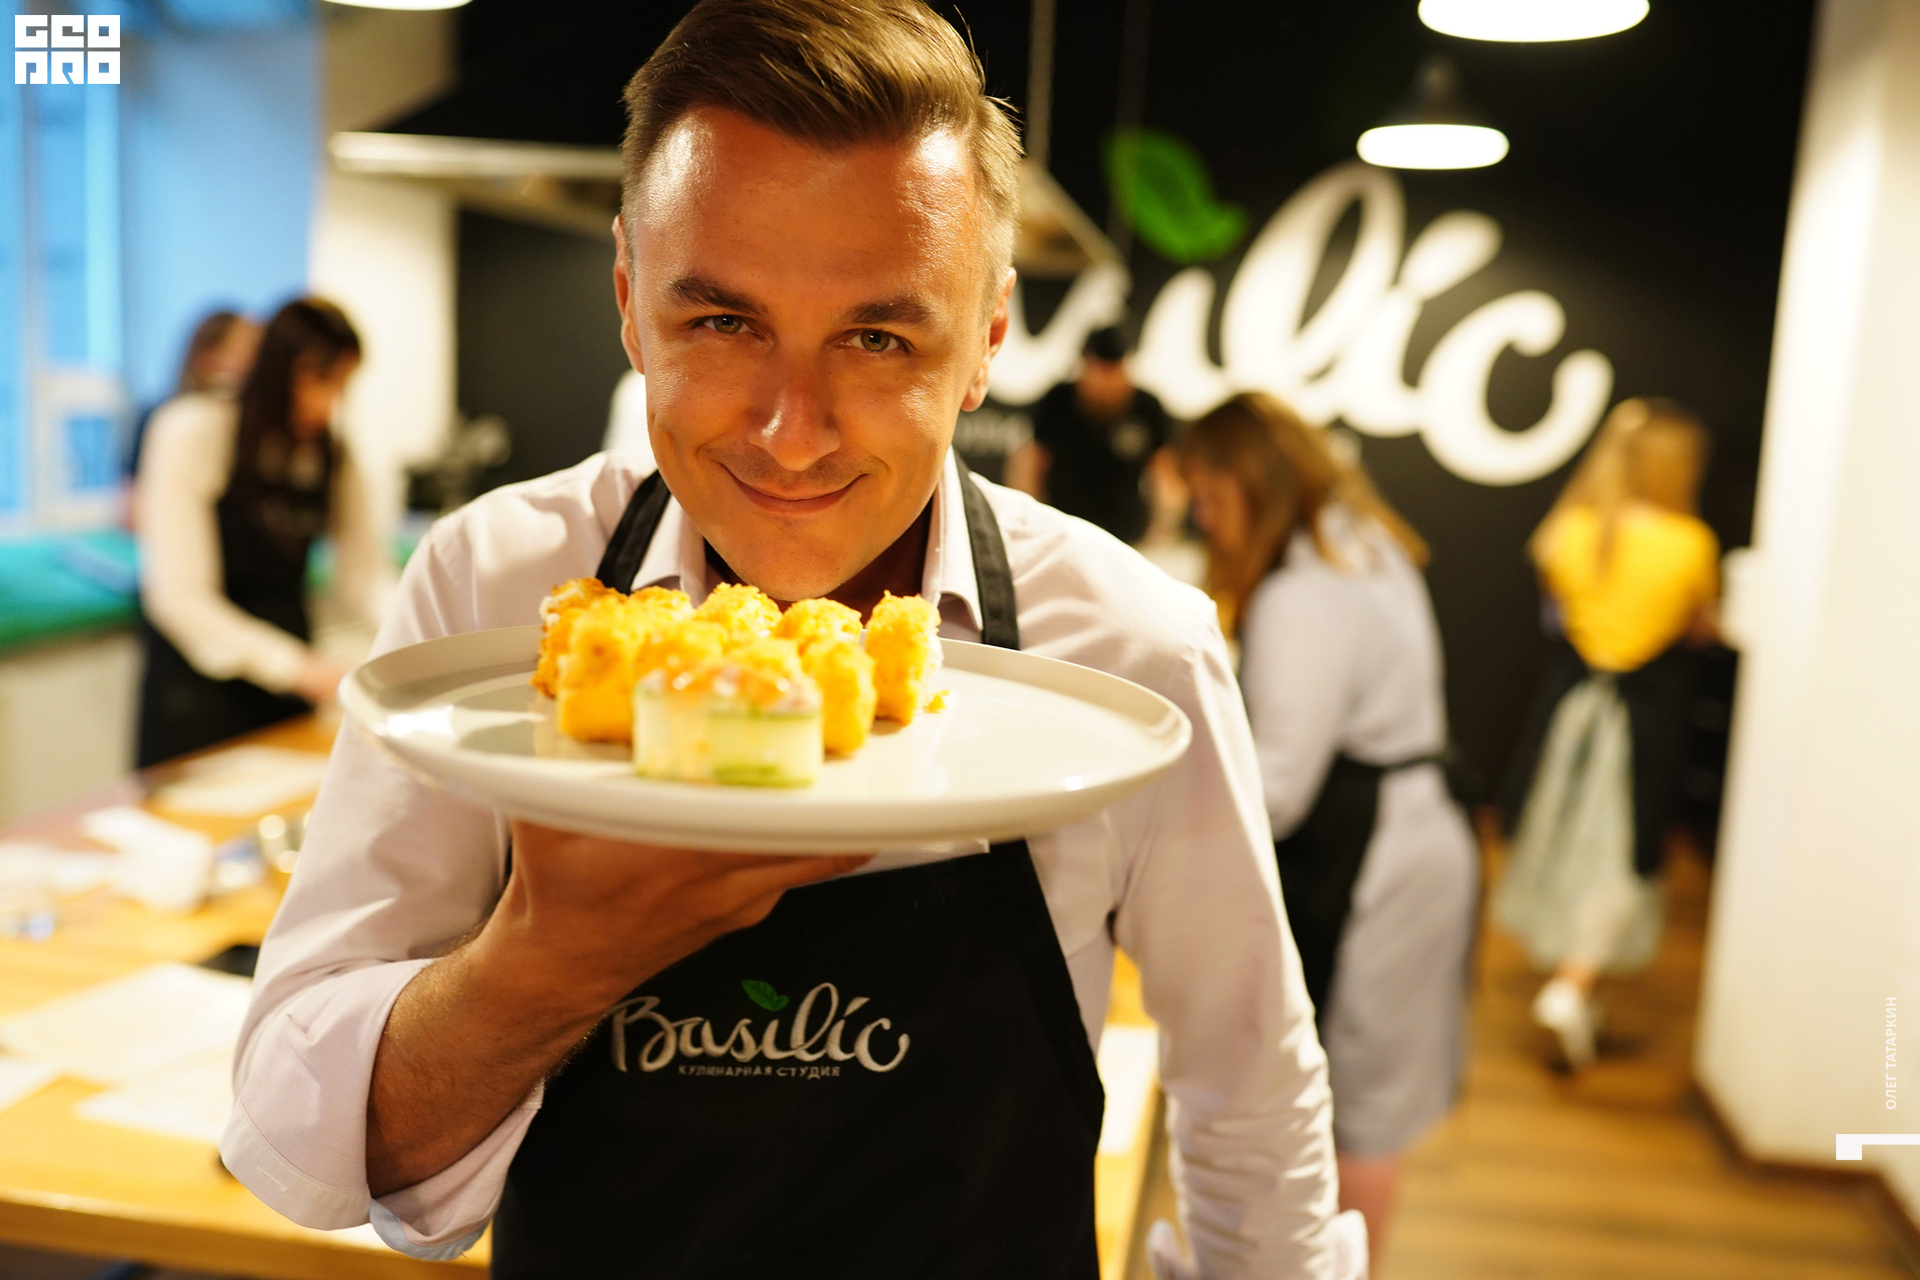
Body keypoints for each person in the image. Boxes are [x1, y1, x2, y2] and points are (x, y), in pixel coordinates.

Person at [220, 4, 1362, 1277]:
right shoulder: (498, 589)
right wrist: (546, 963)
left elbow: (1251, 1096)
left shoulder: (1127, 650)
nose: (793, 432)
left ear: (986, 338)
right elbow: (299, 1137)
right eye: (723, 323)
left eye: (878, 339)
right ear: (629, 301)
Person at [1181, 392, 1477, 1259]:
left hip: (1381, 860)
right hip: (1414, 834)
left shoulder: (1304, 593)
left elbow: (1276, 788)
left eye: (1209, 498)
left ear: (1246, 485)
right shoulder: (1358, 540)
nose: (1205, 521)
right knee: (1369, 1097)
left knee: (1363, 1115)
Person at [1495, 397, 1718, 1069]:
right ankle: (1575, 982)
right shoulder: (1689, 544)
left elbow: (1557, 612)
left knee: (1566, 838)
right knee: (1622, 850)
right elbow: (1699, 623)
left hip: (1574, 713)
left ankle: (1574, 979)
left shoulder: (1571, 531)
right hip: (1644, 722)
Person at [135, 298, 390, 766]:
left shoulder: (334, 458)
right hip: (198, 693)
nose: (328, 404)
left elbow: (364, 579)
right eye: (320, 380)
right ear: (276, 369)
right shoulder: (191, 431)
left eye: (342, 385)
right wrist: (298, 668)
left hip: (286, 696)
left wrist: (418, 643)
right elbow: (179, 596)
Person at [1008, 325, 1175, 544]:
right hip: (1064, 533)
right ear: (1084, 366)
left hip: (1125, 537)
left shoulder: (1147, 408)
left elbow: (1165, 475)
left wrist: (1161, 530)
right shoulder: (1057, 402)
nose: (1107, 383)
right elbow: (1029, 466)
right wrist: (1032, 527)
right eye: (1100, 372)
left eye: (1114, 372)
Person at [122, 309, 262, 526]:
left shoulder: (251, 424)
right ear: (209, 355)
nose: (259, 359)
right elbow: (130, 507)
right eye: (250, 348)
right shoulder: (165, 419)